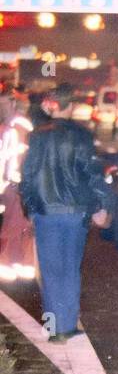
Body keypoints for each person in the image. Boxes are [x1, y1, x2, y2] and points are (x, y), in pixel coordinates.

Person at [19, 84, 111, 340]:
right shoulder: (81, 135)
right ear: (69, 106)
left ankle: (53, 329)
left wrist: (30, 207)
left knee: (50, 270)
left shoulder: (36, 135)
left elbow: (28, 175)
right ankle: (68, 325)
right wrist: (102, 204)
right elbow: (92, 173)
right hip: (75, 211)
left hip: (46, 211)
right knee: (71, 268)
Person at [0, 85, 36, 282]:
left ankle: (12, 265)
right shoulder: (10, 127)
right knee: (15, 226)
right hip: (11, 187)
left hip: (15, 187)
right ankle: (17, 264)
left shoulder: (17, 128)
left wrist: (12, 181)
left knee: (15, 226)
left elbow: (14, 160)